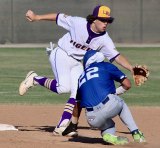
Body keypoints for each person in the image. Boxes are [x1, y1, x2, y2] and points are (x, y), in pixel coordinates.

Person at [19, 5, 133, 136]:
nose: (105, 23)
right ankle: (35, 79)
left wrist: (131, 68)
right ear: (94, 19)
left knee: (77, 93)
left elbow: (116, 56)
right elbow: (58, 17)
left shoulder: (104, 39)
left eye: (107, 20)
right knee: (63, 88)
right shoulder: (78, 23)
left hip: (77, 62)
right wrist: (37, 17)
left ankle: (62, 127)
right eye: (102, 19)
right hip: (61, 53)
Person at [75, 50, 146, 145]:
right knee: (121, 103)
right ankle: (136, 133)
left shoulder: (81, 77)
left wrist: (73, 124)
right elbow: (127, 85)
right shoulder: (106, 65)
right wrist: (113, 94)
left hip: (92, 118)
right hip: (108, 105)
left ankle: (108, 135)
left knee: (108, 126)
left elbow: (77, 104)